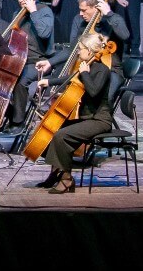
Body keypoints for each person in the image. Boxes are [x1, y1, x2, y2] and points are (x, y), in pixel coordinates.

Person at [31, 33, 116, 194]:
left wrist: (84, 73)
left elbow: (93, 92)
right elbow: (70, 78)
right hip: (87, 119)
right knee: (51, 131)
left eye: (81, 48)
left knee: (61, 136)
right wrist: (47, 82)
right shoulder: (86, 65)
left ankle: (66, 179)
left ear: (90, 50)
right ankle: (56, 173)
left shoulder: (102, 70)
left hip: (99, 120)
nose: (78, 51)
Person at [37, 0, 130, 103]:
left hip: (111, 70)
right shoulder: (84, 25)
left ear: (96, 7)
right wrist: (50, 62)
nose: (81, 14)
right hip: (89, 69)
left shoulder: (113, 20)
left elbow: (125, 35)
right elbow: (73, 49)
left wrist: (109, 14)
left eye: (84, 10)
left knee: (106, 97)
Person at [5, 0, 56, 129]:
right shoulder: (17, 13)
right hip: (19, 59)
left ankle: (18, 123)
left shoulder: (44, 10)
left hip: (39, 61)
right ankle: (6, 117)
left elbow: (44, 33)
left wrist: (33, 11)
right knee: (1, 78)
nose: (20, 0)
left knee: (21, 81)